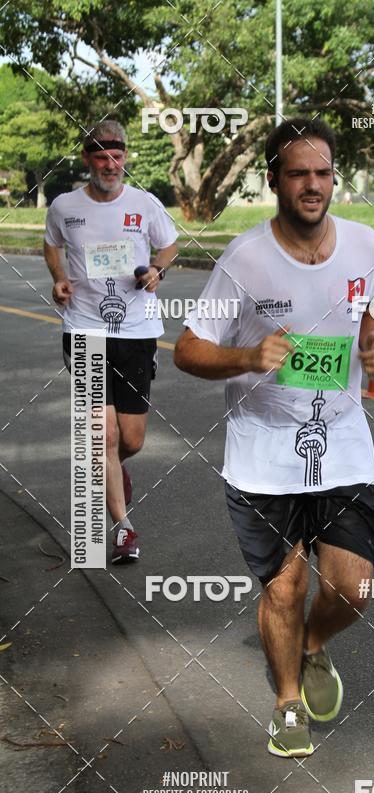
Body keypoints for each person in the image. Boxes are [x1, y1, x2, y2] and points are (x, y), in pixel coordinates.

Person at [174, 117, 374, 756]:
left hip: (343, 439)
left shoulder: (365, 244)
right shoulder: (245, 259)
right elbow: (187, 350)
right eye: (298, 172)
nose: (312, 185)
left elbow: (372, 312)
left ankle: (313, 644)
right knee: (286, 586)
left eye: (322, 172)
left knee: (352, 588)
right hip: (264, 451)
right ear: (273, 179)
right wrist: (247, 358)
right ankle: (287, 699)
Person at [44, 119, 178, 563]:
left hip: (137, 333)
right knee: (103, 434)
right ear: (87, 159)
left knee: (131, 439)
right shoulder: (64, 206)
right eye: (100, 157)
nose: (109, 164)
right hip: (83, 330)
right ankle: (124, 530)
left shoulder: (144, 203)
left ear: (125, 157)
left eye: (116, 156)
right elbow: (52, 245)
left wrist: (156, 270)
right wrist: (60, 279)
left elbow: (169, 246)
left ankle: (114, 472)